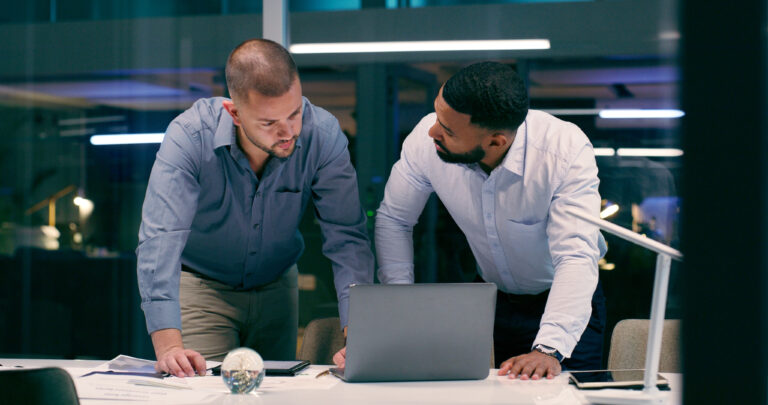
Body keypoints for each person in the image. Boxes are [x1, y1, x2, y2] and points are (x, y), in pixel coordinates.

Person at [334, 61, 606, 380]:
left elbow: (575, 256)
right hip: (491, 299)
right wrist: (399, 309)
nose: (432, 131)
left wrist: (548, 349)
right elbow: (395, 219)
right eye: (438, 116)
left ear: (495, 142)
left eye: (448, 130)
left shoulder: (564, 150)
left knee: (567, 396)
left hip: (565, 300)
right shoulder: (426, 140)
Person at [137, 38, 374, 378]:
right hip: (203, 287)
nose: (288, 131)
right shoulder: (190, 136)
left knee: (275, 394)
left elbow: (347, 237)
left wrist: (361, 334)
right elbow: (161, 238)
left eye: (295, 113)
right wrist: (169, 347)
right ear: (234, 113)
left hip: (277, 286)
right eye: (269, 123)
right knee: (204, 393)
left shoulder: (322, 135)